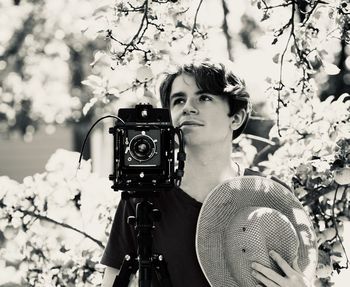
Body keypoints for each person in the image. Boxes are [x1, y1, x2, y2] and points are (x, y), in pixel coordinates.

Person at [101, 59, 314, 286]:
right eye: (178, 100)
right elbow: (111, 281)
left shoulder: (270, 194)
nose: (187, 107)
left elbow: (298, 271)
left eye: (204, 98)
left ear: (236, 117)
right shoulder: (143, 194)